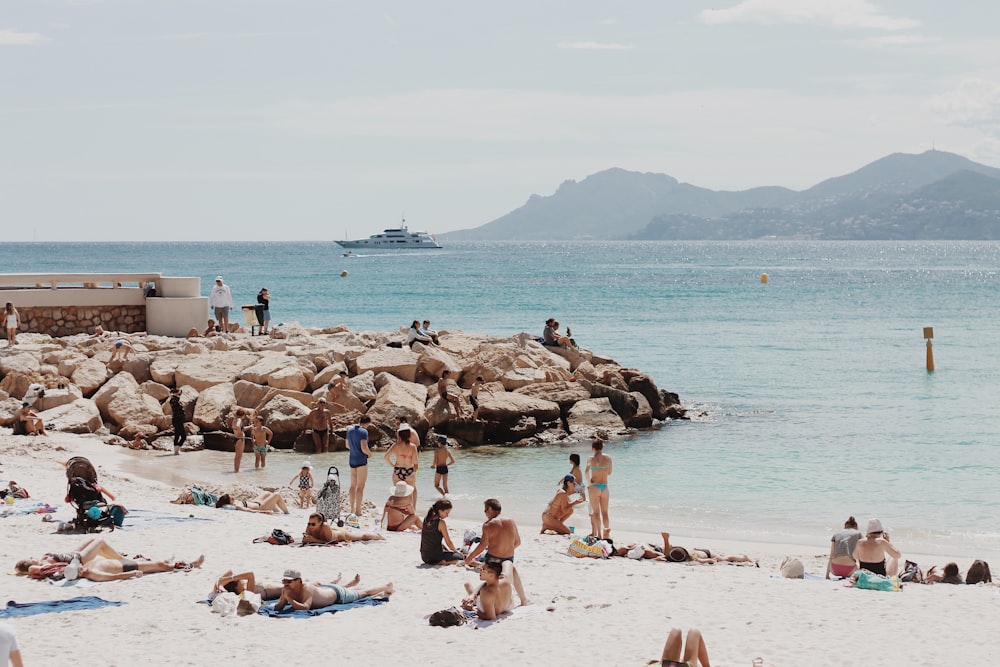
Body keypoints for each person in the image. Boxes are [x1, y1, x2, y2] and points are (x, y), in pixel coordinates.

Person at [15, 536, 204, 582]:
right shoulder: (87, 571)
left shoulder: (85, 569)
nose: (33, 557)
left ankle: (180, 562)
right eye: (30, 559)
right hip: (118, 567)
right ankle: (190, 564)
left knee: (159, 564)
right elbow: (101, 577)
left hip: (115, 565)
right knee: (161, 565)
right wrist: (128, 575)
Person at [464, 498, 528, 606]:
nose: (485, 514)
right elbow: (518, 542)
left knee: (491, 583)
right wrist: (506, 549)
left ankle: (476, 596)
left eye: (485, 510)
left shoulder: (488, 525)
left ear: (490, 509)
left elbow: (482, 545)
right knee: (513, 571)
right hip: (508, 558)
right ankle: (524, 600)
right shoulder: (511, 521)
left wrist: (469, 558)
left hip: (493, 558)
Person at [274, 568, 393, 611]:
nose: (286, 584)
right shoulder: (287, 589)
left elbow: (305, 608)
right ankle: (351, 584)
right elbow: (278, 607)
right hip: (326, 589)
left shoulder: (307, 588)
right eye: (284, 581)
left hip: (338, 595)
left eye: (289, 581)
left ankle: (386, 586)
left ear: (299, 581)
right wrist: (284, 599)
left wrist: (289, 599)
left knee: (364, 593)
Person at [215, 569, 361, 601]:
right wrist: (228, 579)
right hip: (289, 589)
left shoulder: (245, 588)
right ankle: (348, 585)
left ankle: (336, 582)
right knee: (319, 587)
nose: (241, 580)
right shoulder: (249, 591)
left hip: (284, 585)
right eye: (237, 581)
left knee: (318, 584)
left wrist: (219, 581)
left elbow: (228, 572)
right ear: (236, 586)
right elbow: (251, 573)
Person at [384, 423, 420, 506]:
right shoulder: (412, 446)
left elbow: (386, 457)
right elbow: (415, 461)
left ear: (399, 434)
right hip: (409, 471)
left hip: (397, 471)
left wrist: (392, 465)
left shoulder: (395, 445)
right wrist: (416, 469)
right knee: (409, 494)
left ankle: (398, 511)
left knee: (397, 494)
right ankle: (411, 511)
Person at [421, 499, 463, 565]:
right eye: (446, 513)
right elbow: (448, 542)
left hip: (424, 556)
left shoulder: (426, 519)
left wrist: (447, 549)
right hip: (435, 556)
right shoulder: (441, 523)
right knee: (460, 556)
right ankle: (443, 562)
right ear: (440, 510)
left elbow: (431, 539)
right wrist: (456, 551)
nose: (447, 515)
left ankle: (441, 560)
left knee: (452, 552)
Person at [586, 437, 612, 539]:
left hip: (595, 487)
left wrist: (589, 483)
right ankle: (607, 534)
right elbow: (609, 472)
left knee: (596, 512)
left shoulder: (591, 459)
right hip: (605, 487)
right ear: (602, 447)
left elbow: (586, 471)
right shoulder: (608, 458)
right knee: (605, 513)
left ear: (593, 448)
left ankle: (599, 536)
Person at [301, 512, 384, 544]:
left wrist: (314, 540)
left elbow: (330, 542)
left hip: (340, 534)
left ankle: (377, 536)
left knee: (363, 537)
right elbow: (305, 537)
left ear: (320, 523)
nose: (310, 526)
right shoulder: (309, 526)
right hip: (333, 530)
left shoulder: (325, 527)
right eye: (309, 523)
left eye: (313, 524)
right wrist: (305, 538)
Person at [346, 416, 373, 516]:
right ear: (367, 423)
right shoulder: (364, 432)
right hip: (361, 460)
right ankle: (358, 510)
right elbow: (364, 447)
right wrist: (370, 454)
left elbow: (347, 445)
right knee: (360, 486)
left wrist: (354, 450)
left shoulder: (349, 430)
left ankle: (351, 509)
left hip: (352, 459)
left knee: (353, 485)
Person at [214, 491, 289, 514]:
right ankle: (287, 512)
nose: (233, 498)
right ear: (229, 502)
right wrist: (264, 512)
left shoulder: (233, 503)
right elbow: (248, 510)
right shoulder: (237, 506)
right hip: (261, 507)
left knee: (267, 493)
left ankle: (277, 512)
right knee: (277, 495)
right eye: (231, 498)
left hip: (255, 502)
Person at [230, 408, 250, 473]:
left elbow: (241, 428)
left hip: (236, 438)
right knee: (239, 456)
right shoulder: (239, 420)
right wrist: (240, 434)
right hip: (240, 439)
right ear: (243, 414)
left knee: (237, 456)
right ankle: (237, 470)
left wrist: (250, 427)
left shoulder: (234, 419)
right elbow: (238, 426)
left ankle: (236, 469)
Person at [169, 387, 186, 455]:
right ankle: (176, 450)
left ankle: (176, 450)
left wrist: (177, 393)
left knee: (177, 435)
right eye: (178, 393)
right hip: (177, 420)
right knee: (183, 436)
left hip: (179, 420)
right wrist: (173, 394)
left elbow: (178, 397)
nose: (179, 394)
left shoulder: (176, 400)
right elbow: (176, 398)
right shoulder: (173, 400)